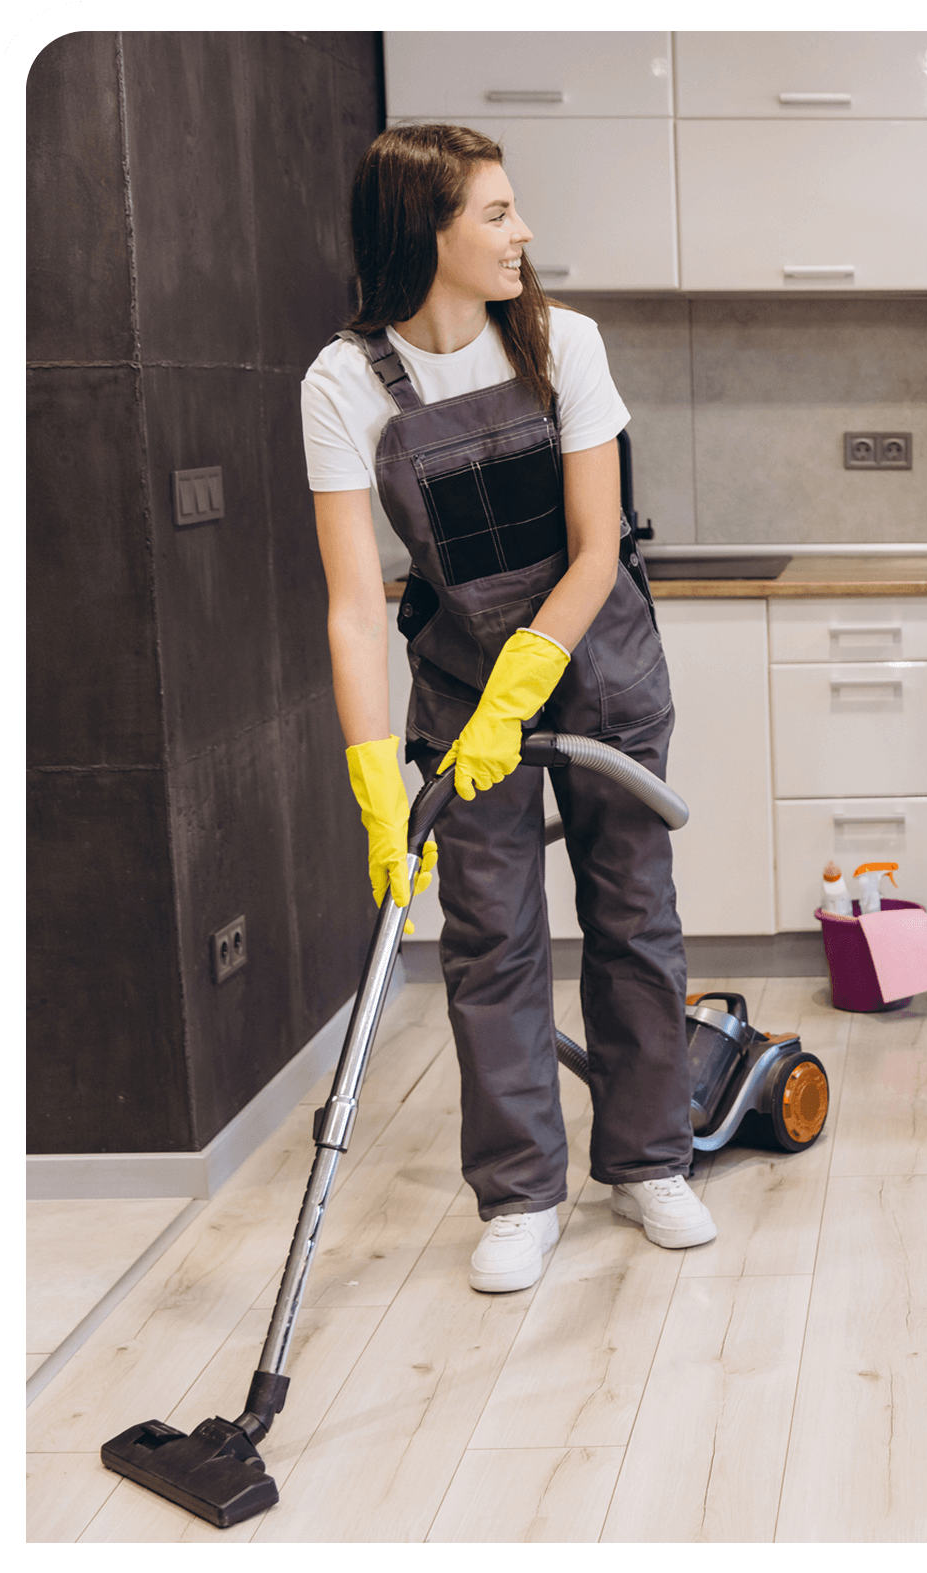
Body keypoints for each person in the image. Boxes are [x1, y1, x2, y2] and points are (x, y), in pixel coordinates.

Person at [302, 124, 715, 1288]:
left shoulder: (561, 344)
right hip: (453, 670)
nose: (523, 232)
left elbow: (595, 551)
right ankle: (521, 1192)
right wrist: (375, 772)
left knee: (633, 913)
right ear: (422, 233)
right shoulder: (343, 383)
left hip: (599, 658)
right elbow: (350, 602)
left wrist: (523, 685)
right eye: (495, 213)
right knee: (489, 937)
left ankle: (647, 1160)